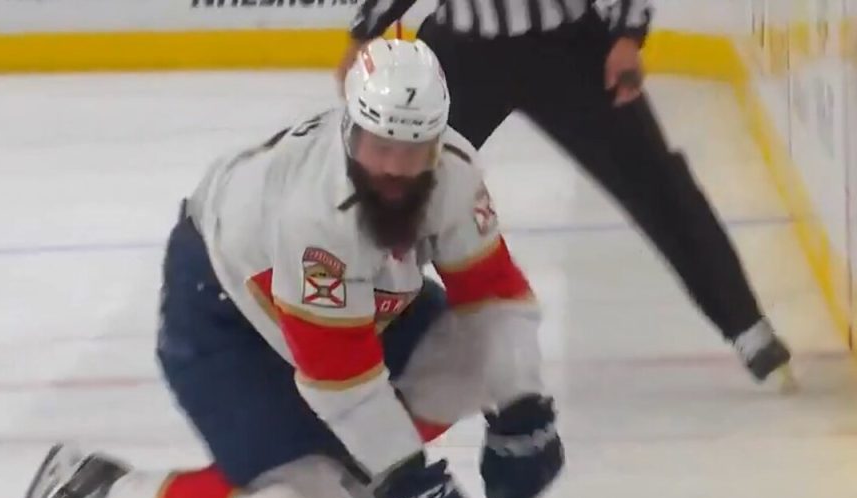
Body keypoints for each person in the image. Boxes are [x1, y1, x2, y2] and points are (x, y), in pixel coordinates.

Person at [0, 38, 564, 498]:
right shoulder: (316, 216)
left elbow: (493, 296)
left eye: (413, 150)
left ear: (439, 145)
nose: (394, 168)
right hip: (229, 320)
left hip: (352, 311)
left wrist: (523, 410)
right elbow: (341, 377)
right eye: (379, 146)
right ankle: (103, 493)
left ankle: (357, 460)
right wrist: (406, 482)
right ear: (350, 130)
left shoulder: (455, 176)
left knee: (473, 359)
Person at [337, 0, 794, 386]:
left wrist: (628, 35)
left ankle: (746, 325)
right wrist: (365, 31)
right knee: (387, 181)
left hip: (570, 49)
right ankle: (344, 327)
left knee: (657, 183)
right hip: (463, 51)